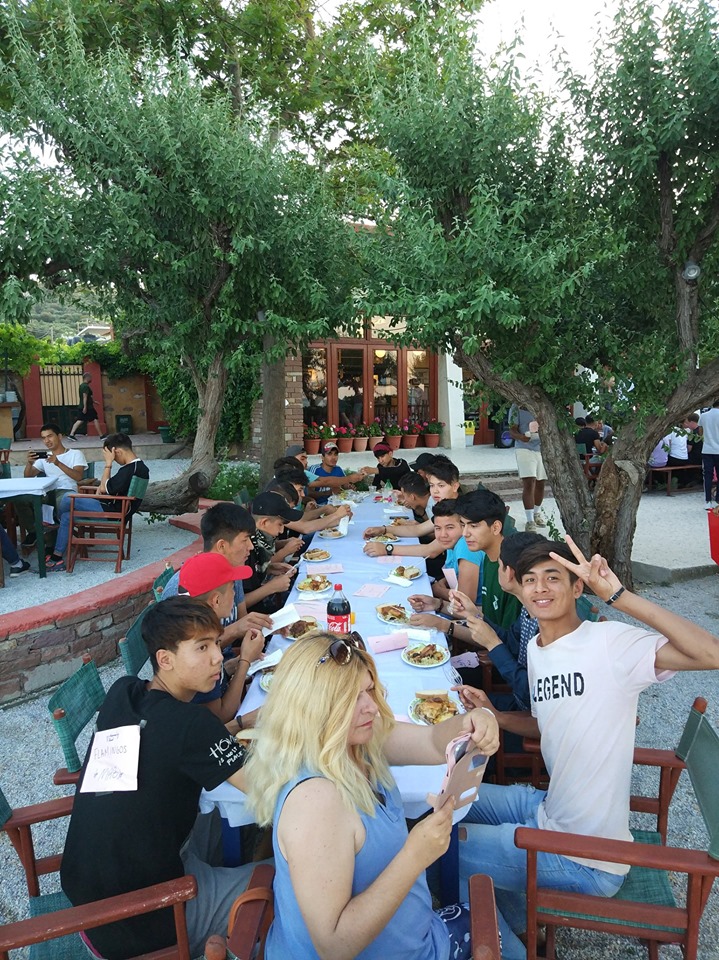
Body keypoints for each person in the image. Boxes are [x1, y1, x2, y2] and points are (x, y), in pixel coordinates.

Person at [454, 536, 719, 945]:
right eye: (530, 579)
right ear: (519, 587)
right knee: (451, 798)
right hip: (550, 810)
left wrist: (618, 595)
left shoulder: (609, 643)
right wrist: (495, 714)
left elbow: (711, 654)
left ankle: (508, 948)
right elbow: (547, 723)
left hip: (589, 858)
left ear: (577, 587)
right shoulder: (537, 649)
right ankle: (525, 929)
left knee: (445, 851)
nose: (540, 588)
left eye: (552, 578)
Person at [243, 630, 525, 960]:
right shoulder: (315, 802)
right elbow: (334, 945)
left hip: (410, 934)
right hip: (406, 951)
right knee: (493, 927)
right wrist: (415, 855)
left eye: (368, 690)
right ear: (314, 708)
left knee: (494, 920)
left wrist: (474, 720)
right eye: (351, 698)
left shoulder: (355, 741)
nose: (372, 707)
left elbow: (433, 741)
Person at [60, 597, 267, 959]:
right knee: (288, 880)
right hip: (148, 917)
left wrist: (237, 725)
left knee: (214, 814)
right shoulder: (192, 725)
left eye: (216, 644)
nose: (217, 658)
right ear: (165, 659)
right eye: (202, 648)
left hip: (89, 906)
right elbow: (267, 787)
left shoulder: (123, 693)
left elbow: (169, 741)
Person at [172, 552, 264, 723]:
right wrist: (245, 661)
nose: (235, 594)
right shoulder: (201, 646)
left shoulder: (191, 626)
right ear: (216, 600)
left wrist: (232, 665)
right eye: (232, 589)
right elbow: (221, 716)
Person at [47, 433, 149, 572]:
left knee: (66, 498)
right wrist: (102, 489)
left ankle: (51, 520)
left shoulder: (129, 470)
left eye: (112, 456)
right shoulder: (140, 467)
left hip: (112, 513)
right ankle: (57, 557)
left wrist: (108, 464)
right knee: (66, 516)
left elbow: (103, 488)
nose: (114, 460)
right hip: (116, 510)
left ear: (117, 452)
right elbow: (106, 488)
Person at [15, 422, 87, 548]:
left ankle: (51, 541)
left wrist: (58, 463)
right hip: (48, 492)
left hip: (66, 491)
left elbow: (78, 476)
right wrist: (29, 463)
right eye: (43, 438)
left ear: (59, 436)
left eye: (50, 436)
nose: (47, 441)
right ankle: (34, 532)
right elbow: (28, 477)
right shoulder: (44, 458)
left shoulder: (75, 454)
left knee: (52, 504)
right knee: (20, 500)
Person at [507, 406, 546, 532]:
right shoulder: (515, 408)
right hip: (524, 448)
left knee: (540, 483)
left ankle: (536, 513)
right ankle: (530, 520)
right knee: (530, 482)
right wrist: (521, 437)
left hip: (541, 448)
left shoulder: (540, 405)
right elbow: (512, 431)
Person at [67, 372, 106, 440]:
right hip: (88, 407)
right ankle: (101, 436)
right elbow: (85, 396)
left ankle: (71, 434)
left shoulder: (82, 386)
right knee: (95, 419)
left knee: (80, 420)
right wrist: (85, 407)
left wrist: (94, 402)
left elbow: (88, 397)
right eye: (90, 378)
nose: (91, 379)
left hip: (84, 406)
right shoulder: (85, 386)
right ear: (87, 378)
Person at [699, 400, 719, 508]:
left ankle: (708, 501)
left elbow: (700, 432)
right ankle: (718, 499)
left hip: (707, 449)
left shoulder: (704, 416)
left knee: (708, 475)